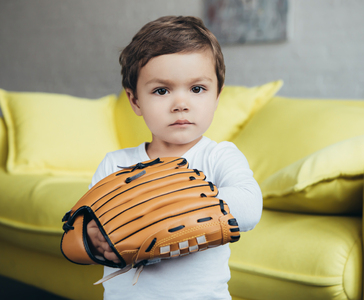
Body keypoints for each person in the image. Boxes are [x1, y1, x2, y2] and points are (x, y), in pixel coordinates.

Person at [85, 15, 262, 300]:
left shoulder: (218, 156)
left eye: (197, 89)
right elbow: (88, 231)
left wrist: (170, 208)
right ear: (135, 100)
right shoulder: (114, 165)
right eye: (161, 90)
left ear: (217, 96)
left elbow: (250, 206)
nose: (181, 104)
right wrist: (92, 240)